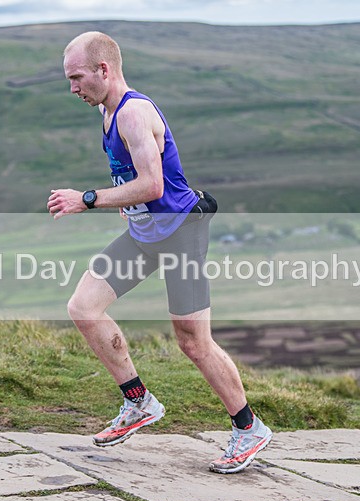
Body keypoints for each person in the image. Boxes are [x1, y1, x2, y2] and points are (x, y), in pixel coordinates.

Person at [47, 31, 271, 474]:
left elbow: (154, 185)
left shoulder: (133, 113)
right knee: (84, 307)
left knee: (193, 342)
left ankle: (249, 428)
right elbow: (132, 182)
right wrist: (122, 204)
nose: (72, 87)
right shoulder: (106, 110)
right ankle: (138, 403)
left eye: (76, 78)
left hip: (182, 232)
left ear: (103, 70)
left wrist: (87, 199)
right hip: (145, 233)